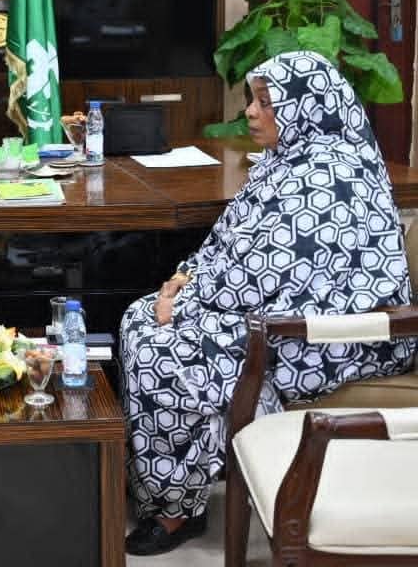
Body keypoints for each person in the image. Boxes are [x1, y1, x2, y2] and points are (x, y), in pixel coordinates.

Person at [120, 51, 417, 556]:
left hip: (334, 334)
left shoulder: (328, 175)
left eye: (266, 102)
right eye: (253, 100)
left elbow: (265, 276)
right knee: (141, 318)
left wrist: (185, 305)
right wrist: (180, 282)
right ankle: (172, 488)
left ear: (307, 107)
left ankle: (176, 509)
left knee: (163, 349)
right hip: (278, 308)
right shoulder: (287, 161)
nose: (251, 112)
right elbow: (228, 245)